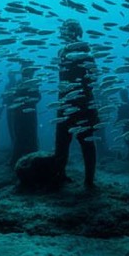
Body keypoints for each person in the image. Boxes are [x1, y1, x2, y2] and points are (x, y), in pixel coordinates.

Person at [53, 19, 99, 188]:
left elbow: (92, 75)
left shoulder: (84, 50)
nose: (62, 33)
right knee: (64, 141)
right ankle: (64, 176)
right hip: (69, 102)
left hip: (79, 102)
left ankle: (88, 181)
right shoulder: (62, 51)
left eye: (66, 30)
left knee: (82, 141)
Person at [10, 64, 41, 166]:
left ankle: (25, 161)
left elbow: (37, 97)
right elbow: (37, 98)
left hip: (24, 115)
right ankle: (25, 161)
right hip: (24, 115)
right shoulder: (24, 83)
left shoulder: (28, 82)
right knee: (25, 137)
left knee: (24, 137)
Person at [3, 70, 19, 150]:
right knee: (10, 126)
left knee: (16, 127)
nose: (11, 77)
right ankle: (13, 144)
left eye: (12, 75)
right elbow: (4, 98)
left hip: (17, 109)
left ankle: (17, 145)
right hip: (9, 109)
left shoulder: (18, 84)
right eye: (9, 75)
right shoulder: (7, 86)